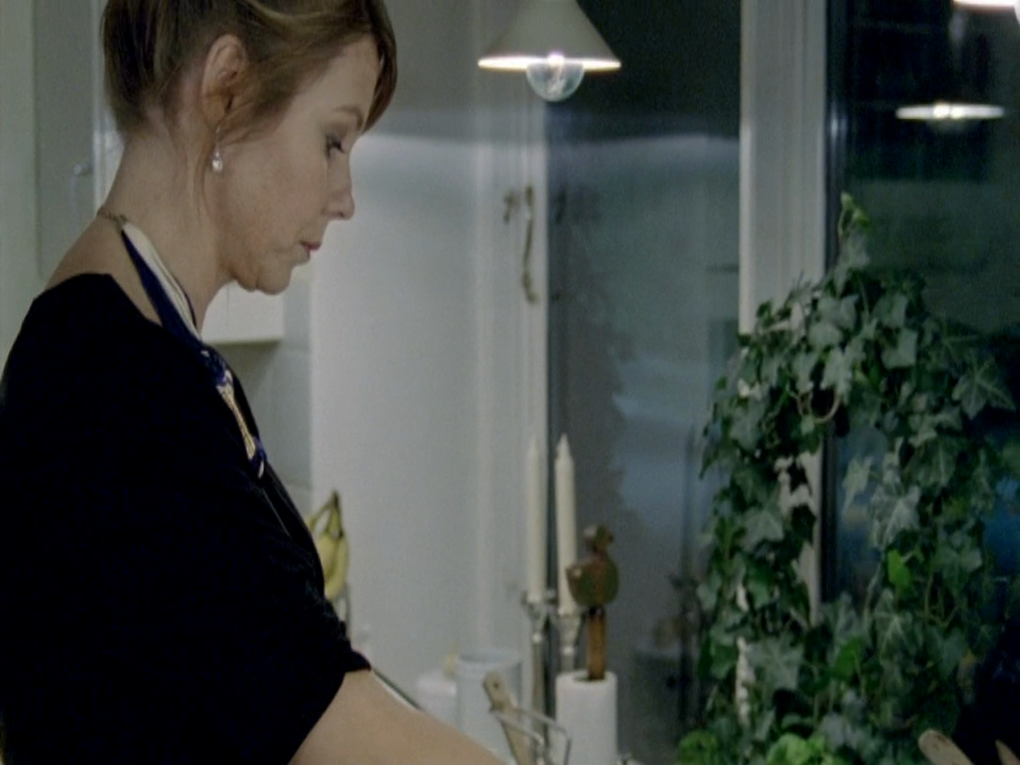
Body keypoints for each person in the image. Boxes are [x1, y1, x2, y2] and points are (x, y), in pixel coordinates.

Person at [0, 1, 503, 762]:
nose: (345, 196)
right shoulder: (112, 384)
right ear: (227, 89)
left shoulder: (152, 352)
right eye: (332, 140)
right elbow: (330, 720)